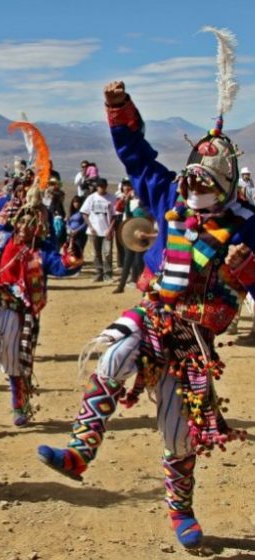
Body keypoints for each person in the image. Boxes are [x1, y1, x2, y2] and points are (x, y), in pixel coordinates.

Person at [38, 78, 255, 549]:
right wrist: (117, 106)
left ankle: (181, 510)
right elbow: (136, 155)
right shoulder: (168, 200)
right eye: (193, 179)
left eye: (206, 183)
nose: (195, 189)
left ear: (225, 184)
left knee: (178, 435)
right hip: (152, 311)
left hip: (193, 339)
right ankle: (79, 452)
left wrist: (249, 266)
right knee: (113, 357)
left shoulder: (246, 226)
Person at [0, 163, 83, 426]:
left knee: (16, 362)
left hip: (19, 312)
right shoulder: (1, 237)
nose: (24, 228)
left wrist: (73, 260)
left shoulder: (43, 252)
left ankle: (20, 408)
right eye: (22, 222)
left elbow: (61, 267)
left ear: (39, 228)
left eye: (31, 224)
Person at [112, 178, 150, 293]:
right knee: (128, 260)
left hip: (143, 236)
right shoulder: (134, 205)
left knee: (139, 262)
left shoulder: (147, 208)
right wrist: (127, 202)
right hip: (132, 235)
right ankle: (121, 286)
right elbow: (128, 216)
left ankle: (143, 285)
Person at [80, 178, 116, 281]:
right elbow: (84, 213)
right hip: (94, 230)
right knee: (97, 252)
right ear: (97, 187)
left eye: (103, 186)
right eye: (100, 186)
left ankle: (108, 274)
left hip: (107, 230)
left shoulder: (112, 198)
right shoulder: (91, 198)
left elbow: (115, 215)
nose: (102, 188)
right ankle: (99, 272)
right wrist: (91, 227)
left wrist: (110, 229)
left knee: (108, 253)